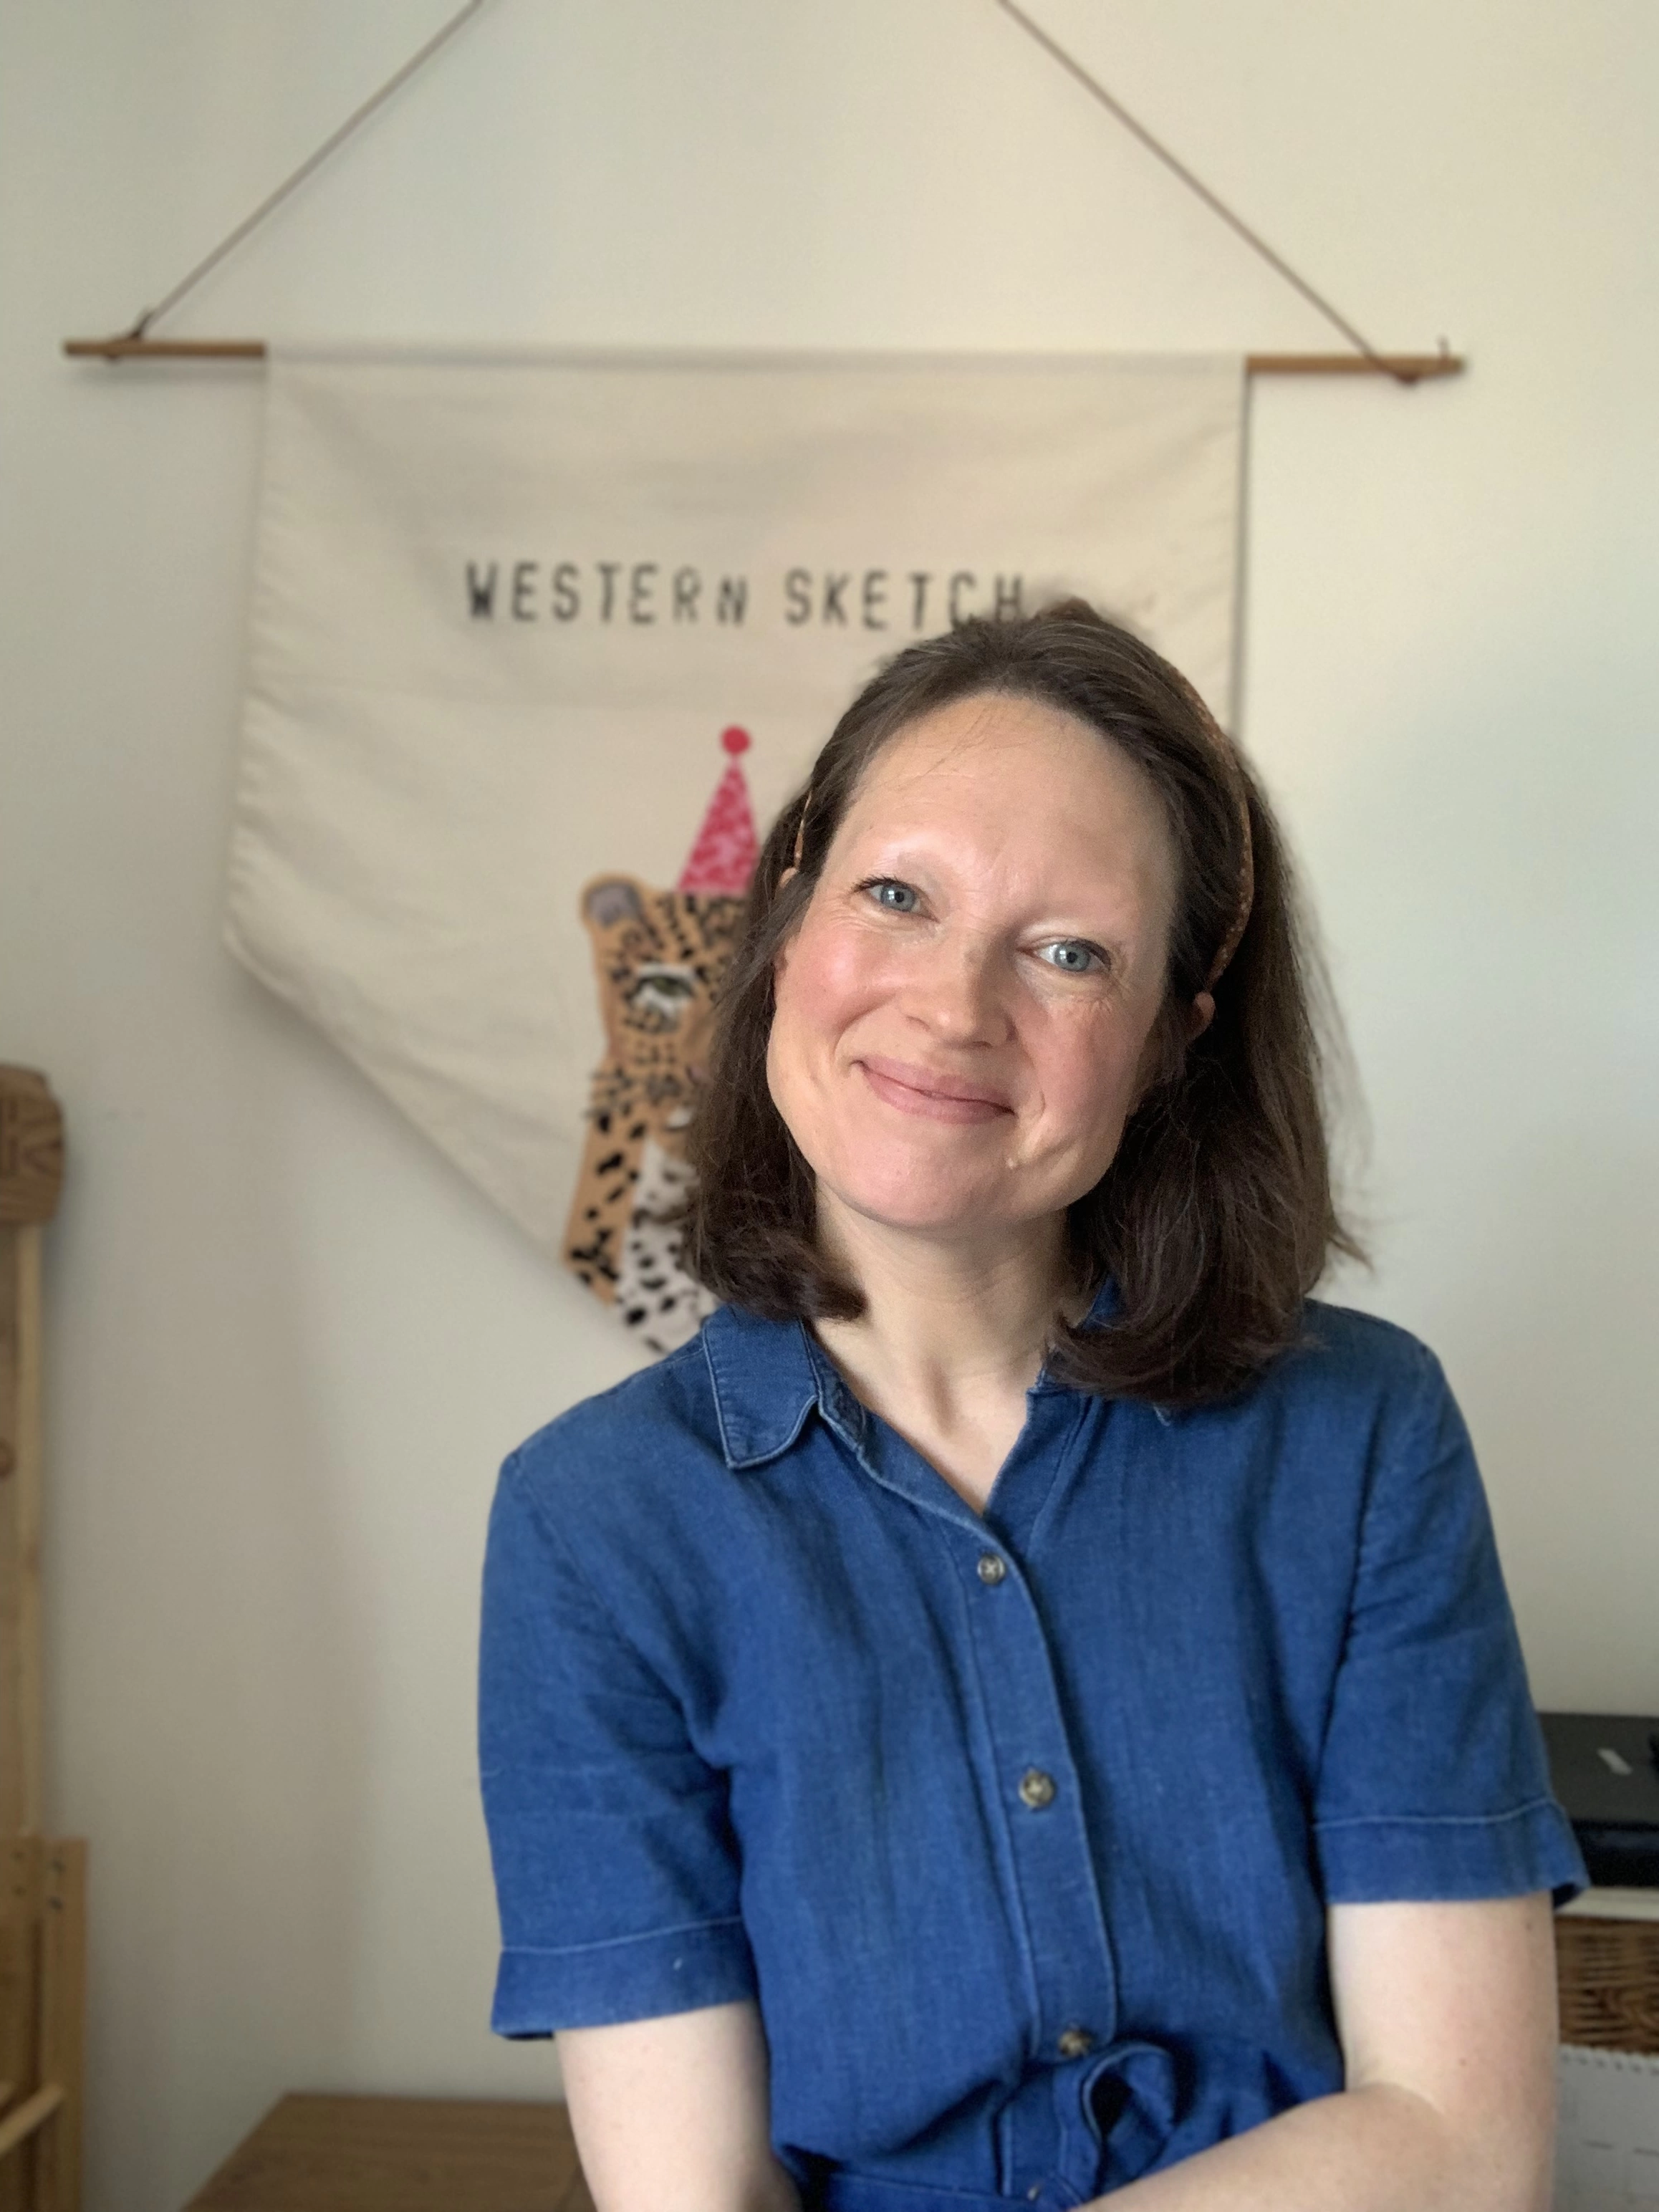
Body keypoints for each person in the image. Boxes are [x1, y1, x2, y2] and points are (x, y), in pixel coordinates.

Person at [478, 601, 1585, 2212]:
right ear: (787, 920)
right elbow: (693, 2189)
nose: (953, 1005)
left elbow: (1463, 2144)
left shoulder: (1365, 1435)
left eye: (1071, 950)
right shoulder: (591, 1524)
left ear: (1166, 1048)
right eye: (896, 895)